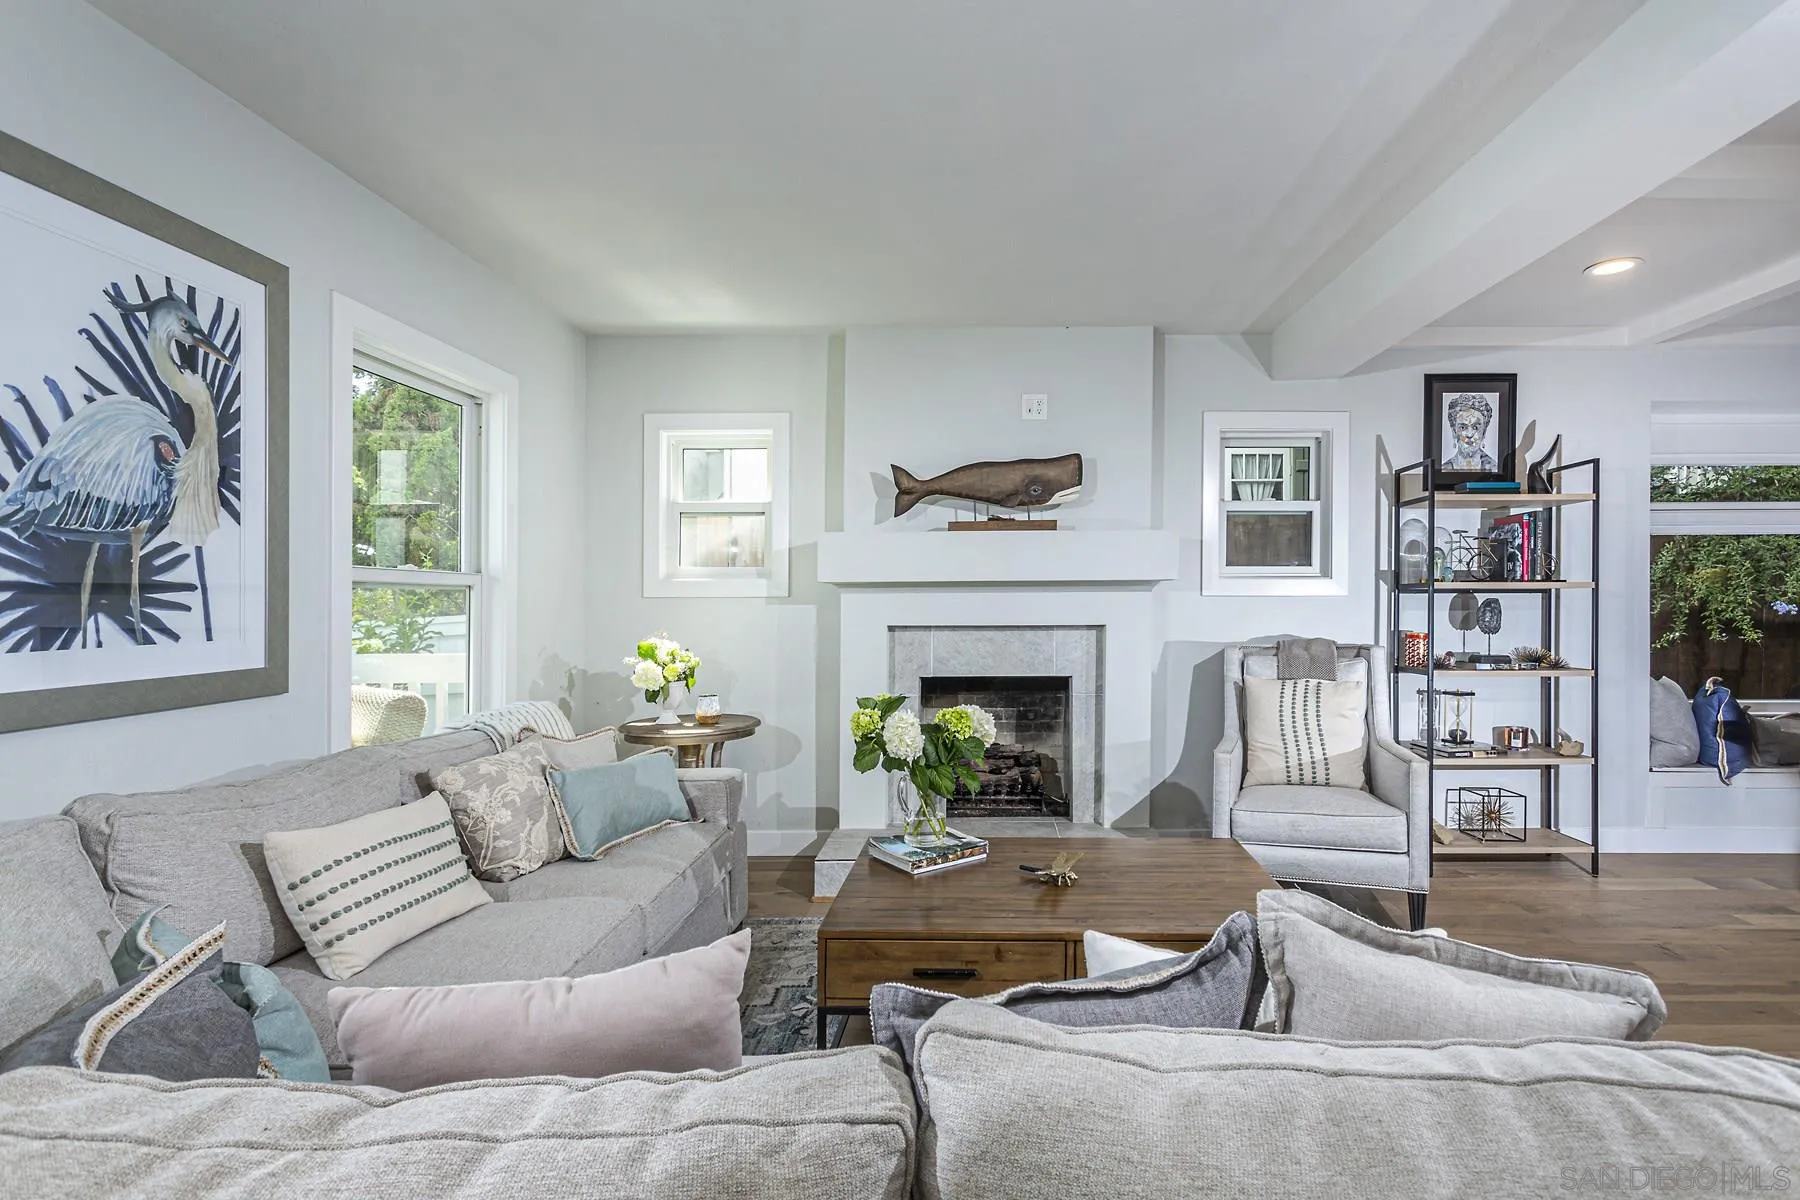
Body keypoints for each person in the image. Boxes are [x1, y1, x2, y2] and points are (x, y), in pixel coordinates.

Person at [1442, 393, 1499, 472]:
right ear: (1454, 432)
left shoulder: (1494, 469)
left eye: (1475, 427)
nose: (1469, 434)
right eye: (1463, 427)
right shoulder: (1444, 470)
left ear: (1484, 432)